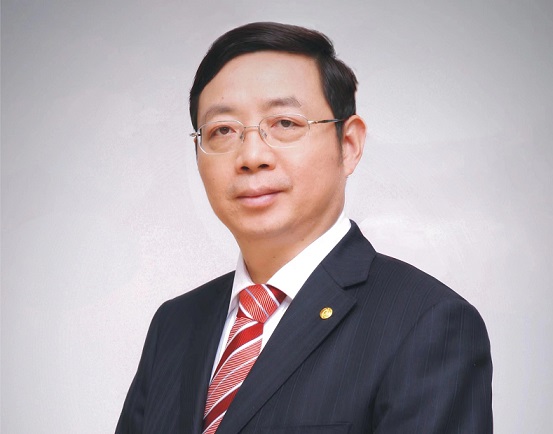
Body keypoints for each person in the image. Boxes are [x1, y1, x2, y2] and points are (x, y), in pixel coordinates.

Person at [115, 22, 493, 434]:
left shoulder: (426, 322)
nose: (252, 156)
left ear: (348, 145)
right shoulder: (175, 324)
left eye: (285, 123)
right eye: (223, 130)